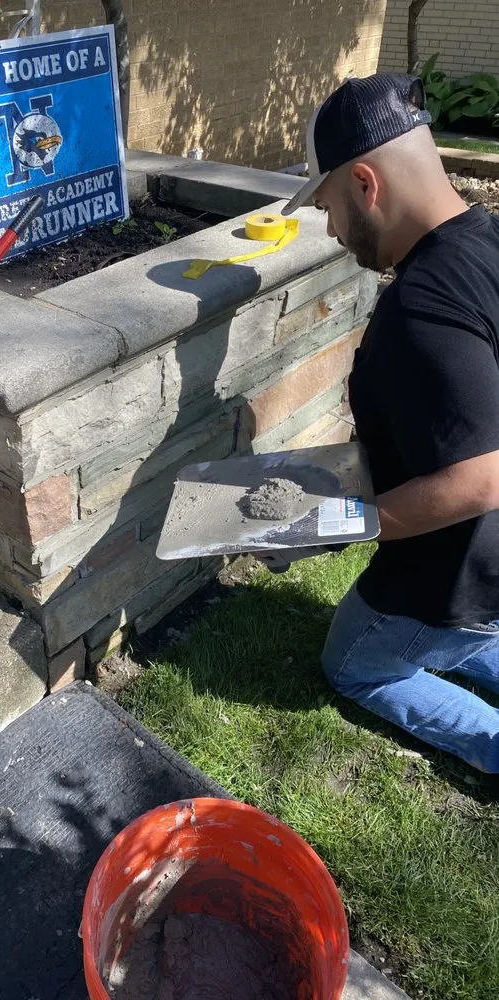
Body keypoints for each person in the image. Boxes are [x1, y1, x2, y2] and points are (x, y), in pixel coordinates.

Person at [281, 73, 499, 773]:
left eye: (328, 206)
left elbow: (477, 480)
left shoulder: (421, 310)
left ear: (365, 185)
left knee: (352, 660)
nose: (331, 228)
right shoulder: (485, 244)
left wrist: (338, 524)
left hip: (460, 575)